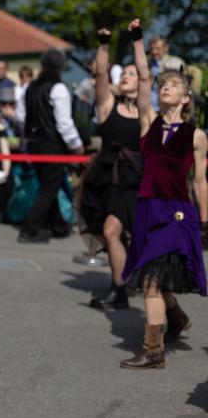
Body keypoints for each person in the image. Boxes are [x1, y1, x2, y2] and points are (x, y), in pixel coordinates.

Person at [119, 19, 207, 370]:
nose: (165, 89)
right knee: (153, 270)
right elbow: (143, 77)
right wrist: (137, 40)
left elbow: (201, 182)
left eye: (173, 86)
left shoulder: (197, 136)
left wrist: (204, 221)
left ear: (186, 98)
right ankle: (177, 318)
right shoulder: (148, 123)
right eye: (164, 85)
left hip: (176, 213)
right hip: (147, 210)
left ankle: (153, 351)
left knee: (152, 280)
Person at [82, 28, 142, 310]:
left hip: (135, 178)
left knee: (117, 231)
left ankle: (123, 285)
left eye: (131, 73)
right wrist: (104, 44)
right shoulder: (108, 104)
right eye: (124, 73)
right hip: (106, 177)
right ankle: (119, 286)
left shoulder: (146, 112)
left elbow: (146, 75)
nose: (126, 76)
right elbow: (101, 75)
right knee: (110, 232)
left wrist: (137, 42)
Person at [18, 49, 83, 243]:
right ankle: (29, 228)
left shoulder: (30, 87)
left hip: (33, 143)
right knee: (50, 187)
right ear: (61, 67)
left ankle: (58, 225)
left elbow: (22, 117)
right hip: (51, 144)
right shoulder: (59, 88)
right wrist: (76, 145)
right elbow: (64, 123)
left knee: (48, 185)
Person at [148, 36, 186, 111]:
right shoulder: (147, 63)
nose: (154, 52)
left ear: (166, 48)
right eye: (152, 49)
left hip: (165, 109)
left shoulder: (174, 63)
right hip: (147, 108)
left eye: (157, 49)